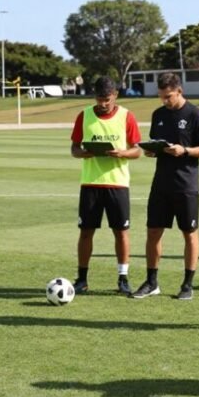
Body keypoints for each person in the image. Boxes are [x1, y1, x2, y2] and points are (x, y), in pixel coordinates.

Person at [130, 72, 199, 301]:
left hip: (186, 185)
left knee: (189, 233)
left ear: (179, 91)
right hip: (161, 184)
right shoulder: (158, 115)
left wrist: (184, 150)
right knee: (153, 232)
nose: (165, 101)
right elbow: (157, 144)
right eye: (161, 97)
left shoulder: (196, 114)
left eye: (168, 96)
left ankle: (187, 284)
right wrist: (151, 150)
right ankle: (152, 282)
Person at [70, 76, 142, 294]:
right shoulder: (84, 115)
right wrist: (85, 152)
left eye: (107, 100)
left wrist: (121, 153)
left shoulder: (126, 116)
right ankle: (82, 278)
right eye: (99, 99)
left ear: (115, 96)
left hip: (117, 184)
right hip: (90, 183)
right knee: (85, 232)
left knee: (121, 232)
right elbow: (74, 149)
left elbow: (137, 150)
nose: (102, 104)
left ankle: (123, 278)